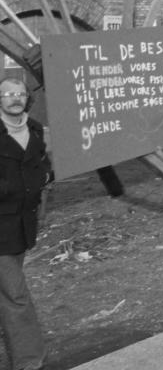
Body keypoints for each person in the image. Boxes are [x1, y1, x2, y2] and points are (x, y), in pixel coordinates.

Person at [0, 76, 52, 370]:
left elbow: (41, 163)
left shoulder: (33, 128)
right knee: (15, 295)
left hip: (22, 224)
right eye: (8, 94)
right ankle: (29, 362)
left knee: (9, 291)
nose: (15, 98)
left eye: (20, 93)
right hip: (1, 225)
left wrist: (44, 176)